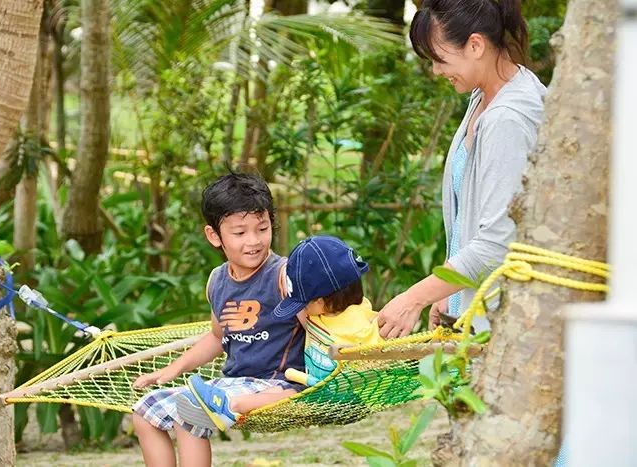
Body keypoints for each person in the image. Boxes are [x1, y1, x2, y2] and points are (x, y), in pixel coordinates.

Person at [378, 0, 547, 338]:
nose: (436, 71)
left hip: (505, 324)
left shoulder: (508, 120)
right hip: (474, 310)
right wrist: (450, 292)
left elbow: (497, 243)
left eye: (439, 60)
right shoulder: (483, 98)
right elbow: (468, 220)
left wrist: (414, 299)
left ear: (475, 45)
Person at [131, 172, 305, 467]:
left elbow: (321, 324)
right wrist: (172, 370)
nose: (253, 241)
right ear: (214, 236)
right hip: (233, 384)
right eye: (240, 233)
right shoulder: (218, 281)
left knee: (192, 408)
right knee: (145, 410)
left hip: (278, 385)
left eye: (262, 229)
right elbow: (216, 337)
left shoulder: (285, 276)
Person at [178, 235, 382, 431]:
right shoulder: (324, 315)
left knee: (287, 393)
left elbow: (376, 355)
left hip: (342, 396)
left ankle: (232, 406)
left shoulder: (358, 323)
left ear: (320, 302)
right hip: (315, 386)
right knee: (281, 390)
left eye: (302, 303)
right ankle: (226, 404)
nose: (301, 311)